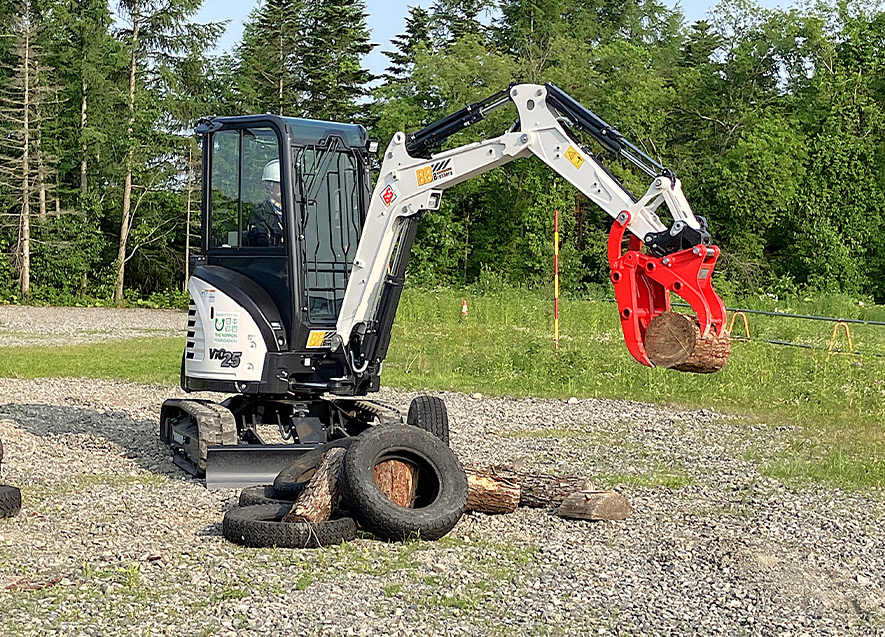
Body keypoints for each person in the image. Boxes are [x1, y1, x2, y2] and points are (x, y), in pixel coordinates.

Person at [246, 159, 284, 246]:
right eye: (279, 183)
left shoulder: (298, 212)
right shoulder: (259, 214)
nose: (284, 187)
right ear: (268, 185)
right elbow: (261, 243)